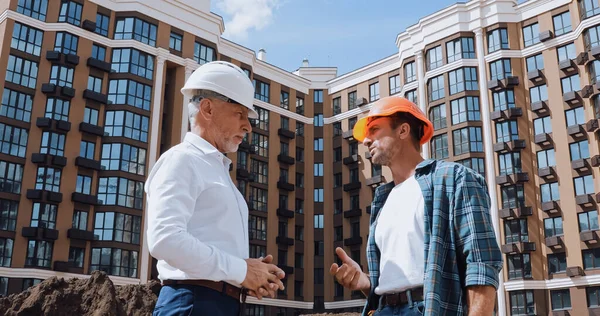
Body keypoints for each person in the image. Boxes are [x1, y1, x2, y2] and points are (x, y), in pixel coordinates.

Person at [329, 96, 503, 316]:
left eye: (374, 130)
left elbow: (481, 263)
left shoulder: (454, 179)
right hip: (383, 310)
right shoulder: (381, 199)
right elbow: (393, 280)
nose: (366, 140)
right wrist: (365, 283)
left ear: (403, 131)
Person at [145, 61, 286, 316]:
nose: (248, 126)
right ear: (207, 108)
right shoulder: (182, 160)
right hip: (193, 303)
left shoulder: (215, 168)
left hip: (218, 304)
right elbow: (165, 239)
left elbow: (213, 243)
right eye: (239, 113)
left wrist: (252, 273)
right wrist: (242, 271)